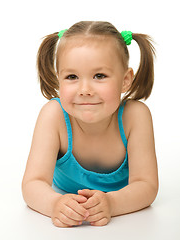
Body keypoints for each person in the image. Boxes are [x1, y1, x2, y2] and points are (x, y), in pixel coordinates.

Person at [22, 21, 158, 228]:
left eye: (99, 76)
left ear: (125, 80)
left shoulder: (135, 116)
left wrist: (112, 203)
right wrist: (55, 204)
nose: (85, 89)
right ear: (59, 79)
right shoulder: (54, 115)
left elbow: (146, 185)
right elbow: (33, 183)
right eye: (72, 77)